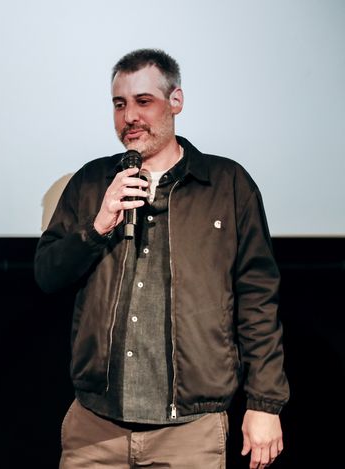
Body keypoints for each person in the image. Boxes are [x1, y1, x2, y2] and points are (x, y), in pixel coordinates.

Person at [34, 49, 288, 469]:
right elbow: (47, 275)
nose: (130, 116)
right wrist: (96, 228)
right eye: (120, 104)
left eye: (143, 101)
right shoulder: (92, 182)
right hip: (95, 428)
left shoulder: (227, 184)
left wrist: (265, 404)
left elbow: (258, 300)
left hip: (189, 431)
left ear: (176, 101)